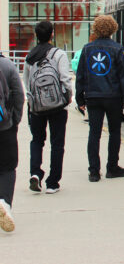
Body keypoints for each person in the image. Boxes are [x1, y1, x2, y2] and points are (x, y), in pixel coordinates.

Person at [75, 15, 124, 182]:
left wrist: (80, 99)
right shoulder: (118, 49)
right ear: (113, 29)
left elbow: (80, 76)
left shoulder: (86, 49)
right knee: (114, 132)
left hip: (93, 97)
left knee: (94, 133)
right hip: (113, 97)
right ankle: (112, 167)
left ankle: (94, 171)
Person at [23, 21, 73, 194]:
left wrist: (31, 104)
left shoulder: (30, 57)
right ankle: (53, 183)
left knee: (37, 140)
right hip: (57, 106)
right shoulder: (59, 54)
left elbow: (27, 83)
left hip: (36, 107)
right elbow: (65, 79)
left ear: (37, 35)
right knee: (57, 143)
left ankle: (35, 173)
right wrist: (68, 97)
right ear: (52, 34)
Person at [0, 52, 25, 232]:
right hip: (4, 126)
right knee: (8, 168)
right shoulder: (7, 65)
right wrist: (14, 120)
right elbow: (18, 95)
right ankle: (4, 203)